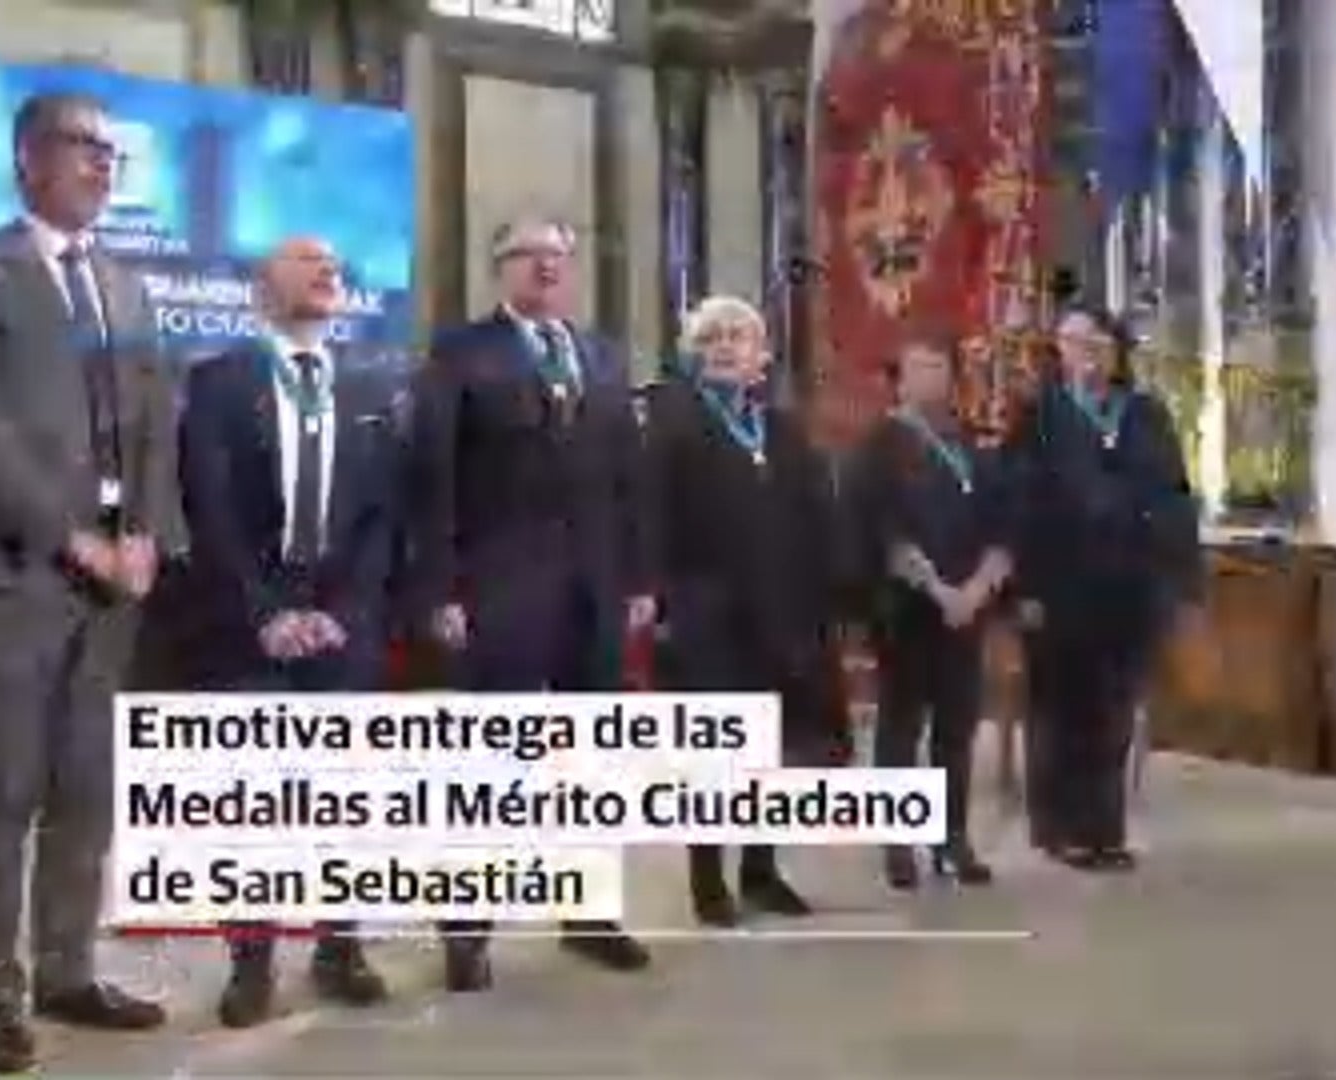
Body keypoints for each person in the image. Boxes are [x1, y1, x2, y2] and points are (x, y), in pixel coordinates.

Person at [0, 91, 182, 1074]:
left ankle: (69, 970)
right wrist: (72, 540)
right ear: (28, 158)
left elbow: (155, 423)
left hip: (111, 585)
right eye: (82, 147)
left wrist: (146, 533)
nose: (102, 164)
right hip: (9, 578)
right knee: (3, 798)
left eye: (111, 152)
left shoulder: (126, 285)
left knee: (87, 791)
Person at [409, 216, 656, 990]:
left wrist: (638, 579)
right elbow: (432, 478)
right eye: (529, 255)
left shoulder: (603, 356)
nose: (546, 267)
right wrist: (441, 587)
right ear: (500, 267)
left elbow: (629, 479)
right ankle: (466, 930)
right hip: (500, 589)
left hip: (593, 589)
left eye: (558, 255)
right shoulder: (460, 353)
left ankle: (589, 914)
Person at [179, 235, 399, 1028]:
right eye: (306, 261)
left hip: (341, 621)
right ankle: (252, 961)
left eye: (334, 263)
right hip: (245, 622)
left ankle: (341, 947)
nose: (327, 270)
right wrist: (266, 612)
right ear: (261, 289)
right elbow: (210, 508)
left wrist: (344, 611)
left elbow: (381, 515)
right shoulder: (218, 381)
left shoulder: (369, 384)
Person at [641, 294, 847, 926]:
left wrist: (824, 601)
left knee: (769, 751)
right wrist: (660, 601)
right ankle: (708, 882)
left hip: (781, 614)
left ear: (763, 356)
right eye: (711, 339)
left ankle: (761, 871)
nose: (725, 347)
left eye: (738, 336)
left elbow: (816, 517)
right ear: (692, 357)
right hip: (706, 614)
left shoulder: (782, 429)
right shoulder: (672, 426)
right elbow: (650, 519)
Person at [1010, 304, 1200, 873]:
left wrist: (1185, 583)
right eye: (1074, 343)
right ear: (1060, 352)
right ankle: (1059, 828)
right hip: (1059, 590)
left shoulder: (1145, 415)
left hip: (1130, 590)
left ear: (1117, 351)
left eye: (1098, 343)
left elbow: (1175, 500)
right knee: (1060, 713)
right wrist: (1025, 588)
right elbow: (1019, 507)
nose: (1087, 354)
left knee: (1115, 715)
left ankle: (1104, 829)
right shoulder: (1041, 417)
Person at [844, 333, 1013, 889]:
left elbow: (1002, 525)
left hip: (968, 611)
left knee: (956, 729)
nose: (928, 378)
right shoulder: (879, 446)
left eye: (938, 368)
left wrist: (979, 589)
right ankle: (898, 842)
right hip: (907, 609)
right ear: (900, 377)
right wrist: (940, 591)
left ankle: (952, 838)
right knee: (900, 727)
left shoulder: (971, 443)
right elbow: (882, 531)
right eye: (917, 367)